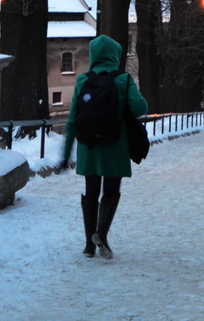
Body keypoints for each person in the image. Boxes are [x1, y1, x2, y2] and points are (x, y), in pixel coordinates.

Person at [61, 34, 148, 259]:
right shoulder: (124, 80)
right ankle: (101, 234)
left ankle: (88, 245)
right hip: (115, 146)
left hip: (88, 147)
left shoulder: (82, 80)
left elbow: (72, 120)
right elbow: (140, 108)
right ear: (115, 55)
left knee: (91, 192)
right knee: (110, 191)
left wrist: (65, 152)